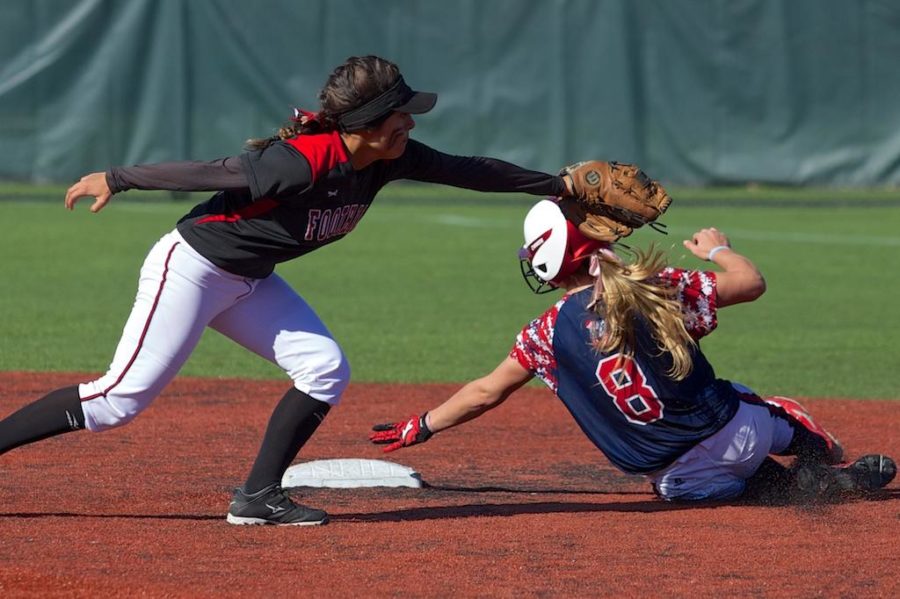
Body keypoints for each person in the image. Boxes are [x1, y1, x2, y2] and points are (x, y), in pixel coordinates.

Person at [0, 55, 578, 526]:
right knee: (118, 399)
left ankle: (257, 496)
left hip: (249, 281)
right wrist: (120, 178)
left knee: (325, 368)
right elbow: (210, 172)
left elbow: (470, 170)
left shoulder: (388, 158)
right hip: (193, 269)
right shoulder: (301, 161)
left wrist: (559, 186)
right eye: (401, 114)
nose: (412, 124)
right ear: (367, 126)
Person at [370, 199, 896, 503]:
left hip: (680, 483)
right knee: (763, 408)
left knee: (751, 485)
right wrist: (718, 248)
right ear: (595, 250)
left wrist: (423, 424)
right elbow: (750, 283)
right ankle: (826, 460)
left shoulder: (542, 336)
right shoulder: (654, 286)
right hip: (740, 432)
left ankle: (796, 485)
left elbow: (485, 393)